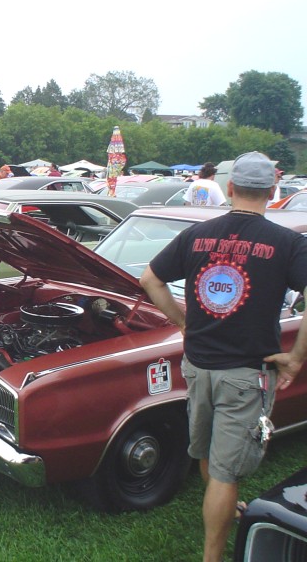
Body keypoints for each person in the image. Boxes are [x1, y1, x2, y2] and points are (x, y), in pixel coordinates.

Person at [139, 151, 307, 562]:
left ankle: (224, 504)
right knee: (226, 472)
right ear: (272, 191)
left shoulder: (198, 235)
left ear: (229, 188)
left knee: (208, 452)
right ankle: (213, 556)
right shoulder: (288, 243)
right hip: (246, 374)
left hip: (197, 367)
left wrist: (182, 323)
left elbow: (150, 279)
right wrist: (295, 358)